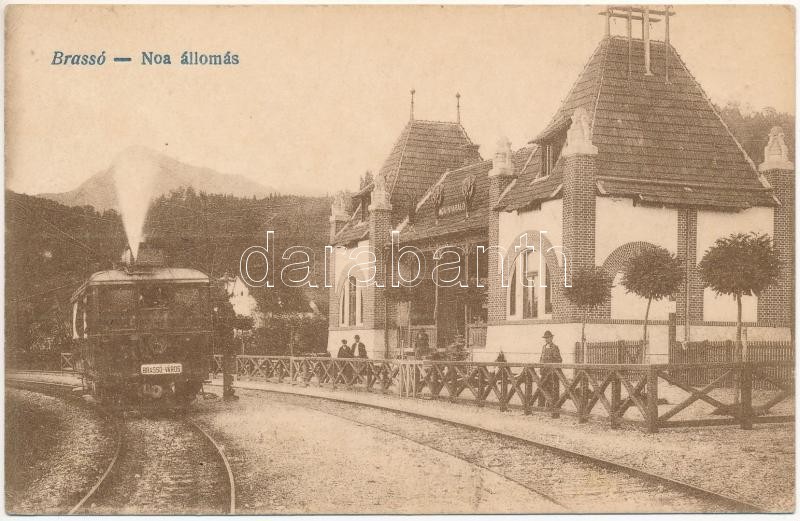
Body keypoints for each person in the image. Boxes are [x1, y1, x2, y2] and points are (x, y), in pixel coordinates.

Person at [538, 331, 562, 407]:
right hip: (544, 372)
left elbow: (559, 360)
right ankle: (541, 405)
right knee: (542, 388)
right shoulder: (544, 347)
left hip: (552, 373)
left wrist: (552, 366)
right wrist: (541, 368)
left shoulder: (555, 347)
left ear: (551, 338)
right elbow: (541, 359)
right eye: (545, 338)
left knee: (552, 389)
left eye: (548, 338)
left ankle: (552, 405)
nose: (546, 339)